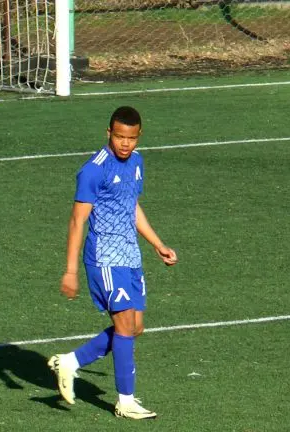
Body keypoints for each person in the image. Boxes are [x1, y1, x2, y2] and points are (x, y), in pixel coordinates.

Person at [48, 106, 178, 419]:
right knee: (123, 326)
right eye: (119, 137)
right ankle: (126, 401)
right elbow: (77, 221)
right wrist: (70, 271)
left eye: (130, 138)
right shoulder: (94, 170)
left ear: (139, 136)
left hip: (130, 255)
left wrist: (157, 244)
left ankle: (70, 362)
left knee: (135, 327)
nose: (125, 143)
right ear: (108, 133)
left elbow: (131, 206)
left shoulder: (137, 162)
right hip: (105, 258)